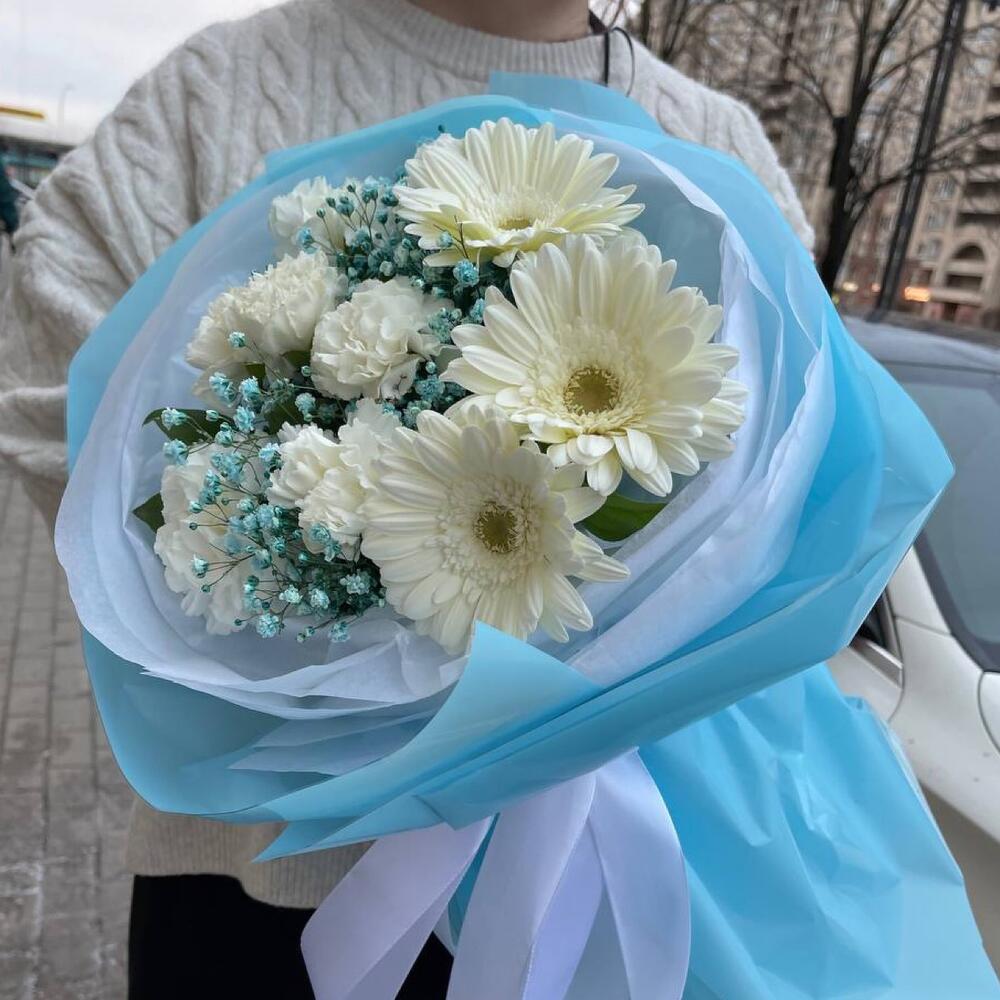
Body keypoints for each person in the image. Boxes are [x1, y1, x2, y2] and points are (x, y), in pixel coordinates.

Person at [0, 1, 814, 996]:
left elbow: (793, 514)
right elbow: (51, 409)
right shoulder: (210, 97)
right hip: (258, 895)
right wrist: (337, 646)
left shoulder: (726, 148)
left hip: (613, 899)